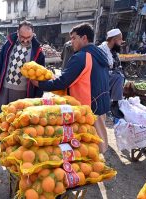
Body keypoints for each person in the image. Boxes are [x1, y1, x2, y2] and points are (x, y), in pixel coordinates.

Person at [31, 23, 110, 153]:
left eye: (74, 38)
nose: (71, 41)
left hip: (87, 109)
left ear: (84, 38)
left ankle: (96, 169)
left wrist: (40, 84)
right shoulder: (100, 54)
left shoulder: (81, 57)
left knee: (88, 148)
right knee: (98, 142)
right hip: (100, 104)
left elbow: (63, 82)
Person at [0, 20, 45, 115]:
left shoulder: (38, 51)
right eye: (22, 37)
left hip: (24, 92)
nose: (25, 40)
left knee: (18, 120)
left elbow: (41, 76)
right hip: (5, 88)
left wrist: (38, 94)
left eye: (28, 37)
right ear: (17, 32)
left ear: (33, 34)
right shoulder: (9, 44)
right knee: (1, 116)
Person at [98, 28, 124, 118]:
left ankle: (115, 102)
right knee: (118, 77)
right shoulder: (101, 50)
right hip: (101, 78)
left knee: (120, 76)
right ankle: (115, 104)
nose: (121, 42)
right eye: (120, 40)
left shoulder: (114, 52)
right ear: (114, 40)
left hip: (110, 76)